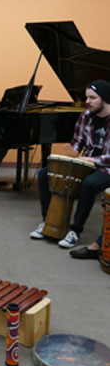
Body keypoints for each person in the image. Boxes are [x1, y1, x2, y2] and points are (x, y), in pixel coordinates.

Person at [30, 79, 110, 249]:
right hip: (86, 163)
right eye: (87, 97)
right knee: (45, 174)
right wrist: (72, 151)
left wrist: (92, 160)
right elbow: (78, 143)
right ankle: (48, 222)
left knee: (89, 184)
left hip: (106, 168)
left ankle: (75, 231)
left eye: (92, 98)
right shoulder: (86, 116)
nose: (87, 101)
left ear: (105, 99)